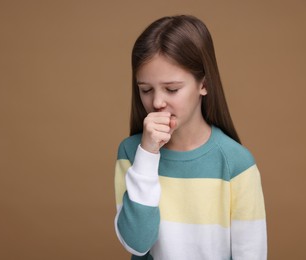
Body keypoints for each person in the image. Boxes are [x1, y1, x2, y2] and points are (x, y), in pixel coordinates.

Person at [113, 15, 267, 259]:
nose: (157, 102)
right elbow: (137, 243)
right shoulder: (132, 153)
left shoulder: (236, 163)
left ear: (203, 84)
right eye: (146, 90)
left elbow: (251, 253)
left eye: (172, 89)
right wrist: (147, 155)